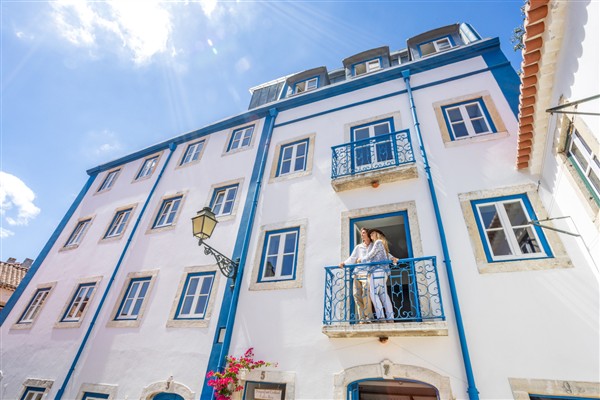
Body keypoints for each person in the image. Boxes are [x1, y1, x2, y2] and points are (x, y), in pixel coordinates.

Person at [361, 229, 396, 323]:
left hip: (376, 271)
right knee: (383, 295)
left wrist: (362, 260)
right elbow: (387, 255)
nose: (371, 235)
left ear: (377, 234)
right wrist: (393, 258)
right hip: (383, 272)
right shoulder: (382, 244)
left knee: (373, 294)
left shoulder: (378, 242)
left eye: (372, 233)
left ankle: (381, 317)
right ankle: (390, 317)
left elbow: (371, 255)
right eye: (370, 233)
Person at [339, 227, 373, 323]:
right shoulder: (358, 247)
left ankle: (369, 317)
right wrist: (344, 263)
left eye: (363, 233)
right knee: (356, 295)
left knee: (366, 292)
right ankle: (362, 318)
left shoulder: (373, 246)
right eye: (361, 233)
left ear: (368, 234)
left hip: (367, 273)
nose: (361, 235)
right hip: (357, 273)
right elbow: (352, 258)